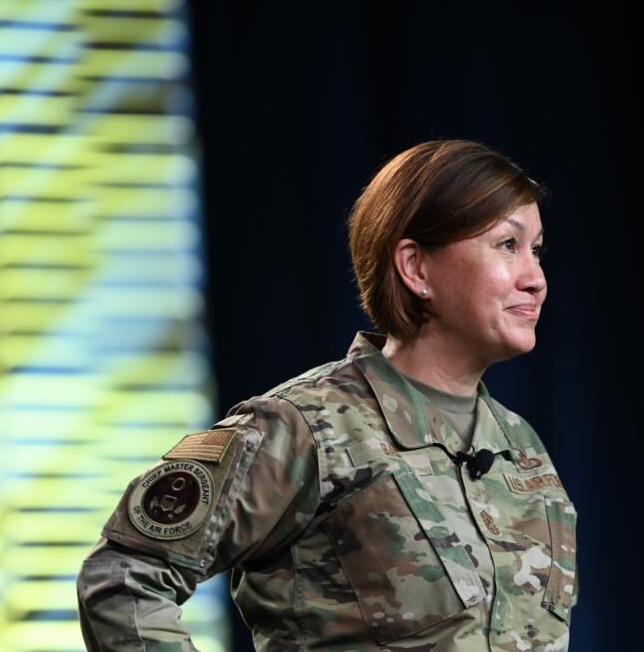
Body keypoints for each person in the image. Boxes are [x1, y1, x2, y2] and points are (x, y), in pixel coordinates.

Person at [76, 140, 578, 651]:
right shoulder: (305, 428)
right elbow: (123, 577)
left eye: (536, 250)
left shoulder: (521, 448)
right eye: (507, 245)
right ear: (416, 268)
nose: (535, 280)